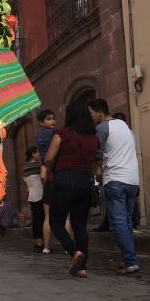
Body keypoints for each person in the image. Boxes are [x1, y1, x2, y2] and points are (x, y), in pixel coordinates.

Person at [43, 101, 99, 278]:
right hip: (85, 181)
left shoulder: (62, 133)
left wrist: (53, 168)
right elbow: (97, 163)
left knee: (55, 222)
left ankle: (74, 252)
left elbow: (49, 158)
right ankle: (82, 267)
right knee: (80, 226)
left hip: (65, 179)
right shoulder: (93, 137)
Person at [88, 99, 140, 275]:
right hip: (132, 180)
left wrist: (95, 172)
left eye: (91, 113)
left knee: (118, 223)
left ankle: (131, 262)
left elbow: (97, 155)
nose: (91, 117)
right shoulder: (127, 128)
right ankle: (129, 260)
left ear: (99, 112)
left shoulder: (102, 128)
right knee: (126, 221)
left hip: (115, 179)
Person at [35, 108, 56, 253]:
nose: (53, 121)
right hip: (57, 174)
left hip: (48, 176)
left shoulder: (38, 136)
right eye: (49, 119)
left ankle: (47, 247)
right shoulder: (54, 134)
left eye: (53, 118)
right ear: (41, 122)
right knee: (65, 216)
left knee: (47, 216)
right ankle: (68, 248)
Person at [23, 146, 44, 252]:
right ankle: (40, 242)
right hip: (39, 194)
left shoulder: (25, 166)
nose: (39, 154)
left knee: (35, 219)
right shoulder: (37, 165)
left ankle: (36, 241)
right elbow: (43, 177)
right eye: (38, 152)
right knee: (41, 219)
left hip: (31, 195)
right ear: (33, 154)